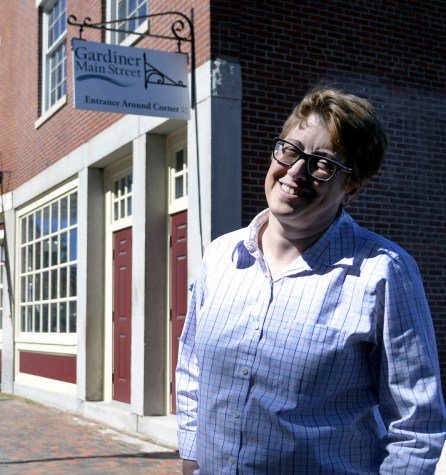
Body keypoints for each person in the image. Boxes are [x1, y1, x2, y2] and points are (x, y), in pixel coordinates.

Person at [176, 87, 446, 474]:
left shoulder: (383, 272)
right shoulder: (221, 256)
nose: (296, 172)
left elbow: (417, 423)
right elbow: (192, 368)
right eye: (290, 150)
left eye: (323, 164)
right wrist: (191, 460)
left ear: (352, 188)